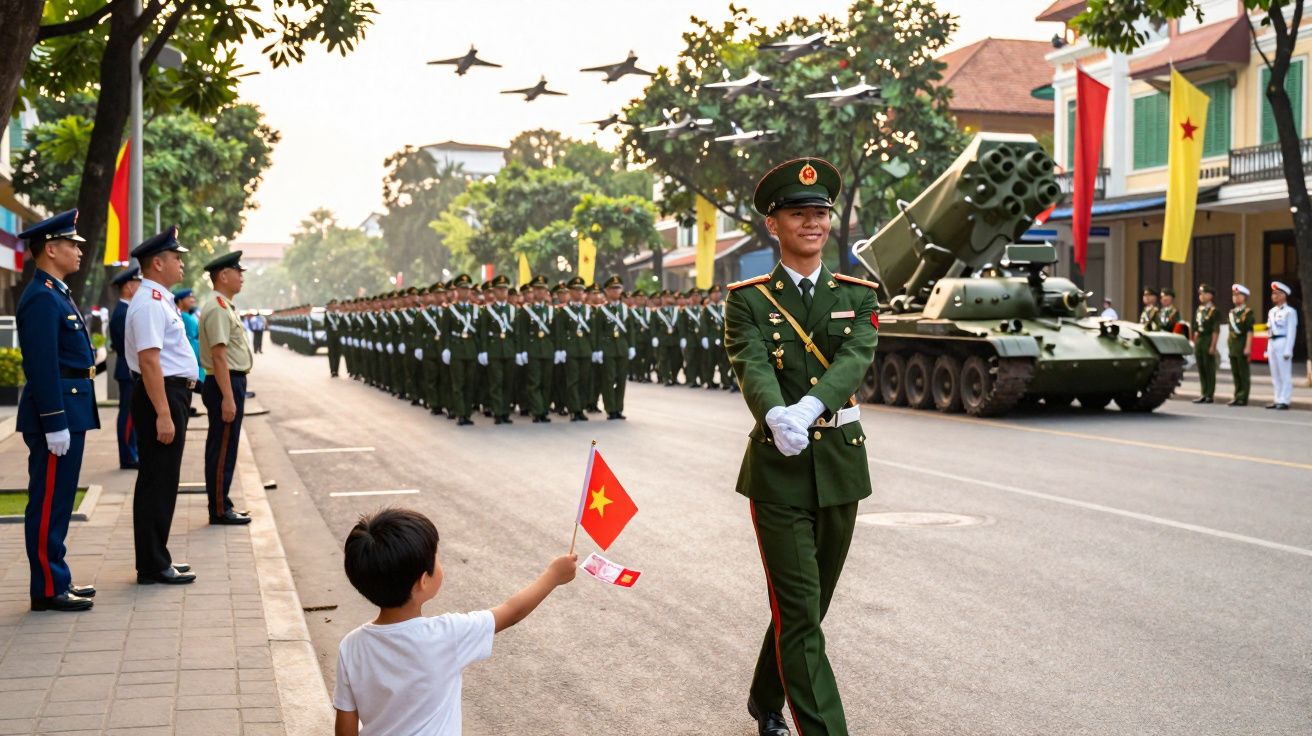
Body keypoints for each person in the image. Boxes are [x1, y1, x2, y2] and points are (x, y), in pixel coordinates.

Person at [725, 158, 878, 736]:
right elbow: (751, 362)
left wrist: (811, 407)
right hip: (779, 469)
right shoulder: (748, 300)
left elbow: (853, 359)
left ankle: (766, 697)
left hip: (840, 463)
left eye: (820, 213)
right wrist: (773, 413)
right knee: (800, 612)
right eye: (798, 213)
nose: (812, 222)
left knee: (807, 611)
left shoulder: (859, 295)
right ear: (774, 224)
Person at [333, 508, 577, 736]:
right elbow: (511, 612)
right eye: (436, 558)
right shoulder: (448, 635)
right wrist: (553, 576)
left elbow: (345, 725)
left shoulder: (351, 646)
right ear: (423, 581)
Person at [15, 209, 100, 612]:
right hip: (58, 412)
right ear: (50, 249)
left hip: (71, 407)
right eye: (72, 244)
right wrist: (54, 423)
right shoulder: (41, 298)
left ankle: (56, 578)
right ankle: (47, 588)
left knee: (60, 500)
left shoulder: (56, 292)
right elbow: (42, 365)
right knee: (48, 501)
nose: (78, 250)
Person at [125, 227, 199, 585]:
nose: (181, 263)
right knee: (157, 481)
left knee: (163, 480)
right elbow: (150, 362)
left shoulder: (159, 298)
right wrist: (164, 414)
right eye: (176, 257)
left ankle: (158, 557)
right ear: (157, 263)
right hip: (162, 396)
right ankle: (152, 565)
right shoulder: (150, 302)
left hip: (170, 393)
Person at [198, 251, 255, 526]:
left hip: (228, 381)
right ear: (223, 276)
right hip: (224, 383)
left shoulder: (223, 305)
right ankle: (219, 509)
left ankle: (223, 503)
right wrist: (229, 398)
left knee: (225, 446)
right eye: (238, 272)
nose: (241, 277)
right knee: (222, 449)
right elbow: (219, 355)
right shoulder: (218, 307)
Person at [110, 266, 142, 470]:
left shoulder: (125, 310)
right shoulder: (122, 312)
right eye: (138, 283)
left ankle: (132, 453)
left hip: (129, 368)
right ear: (129, 287)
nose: (141, 287)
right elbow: (126, 346)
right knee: (128, 415)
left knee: (132, 414)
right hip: (128, 369)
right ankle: (128, 457)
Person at [1267, 281, 1298, 410]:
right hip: (1272, 342)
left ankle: (1285, 400)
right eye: (1273, 293)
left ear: (1283, 295)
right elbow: (1269, 330)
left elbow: (1292, 331)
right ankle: (1277, 398)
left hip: (1283, 341)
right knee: (1275, 373)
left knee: (1284, 373)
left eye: (1276, 293)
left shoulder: (1290, 311)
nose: (1273, 296)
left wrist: (1288, 350)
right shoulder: (1271, 311)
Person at [174, 287, 204, 417]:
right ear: (180, 301)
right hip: (188, 353)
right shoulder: (182, 316)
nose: (192, 299)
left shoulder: (188, 315)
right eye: (188, 297)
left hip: (194, 353)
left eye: (193, 297)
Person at [1227, 284, 1255, 406]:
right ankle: (1237, 395)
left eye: (1239, 295)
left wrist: (1248, 347)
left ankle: (1243, 397)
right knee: (1235, 372)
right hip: (1233, 345)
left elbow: (1249, 331)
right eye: (1234, 295)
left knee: (1243, 372)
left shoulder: (1247, 313)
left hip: (1242, 344)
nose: (1236, 298)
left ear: (1245, 297)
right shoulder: (1232, 312)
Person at [1192, 284, 1220, 404]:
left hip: (1208, 339)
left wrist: (1213, 345)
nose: (1201, 296)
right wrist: (1194, 342)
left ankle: (1209, 394)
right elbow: (1196, 329)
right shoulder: (1199, 310)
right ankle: (1203, 392)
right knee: (1201, 367)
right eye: (1200, 294)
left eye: (1203, 293)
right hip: (1200, 340)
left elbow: (1215, 330)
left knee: (1209, 368)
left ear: (1210, 296)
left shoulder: (1214, 311)